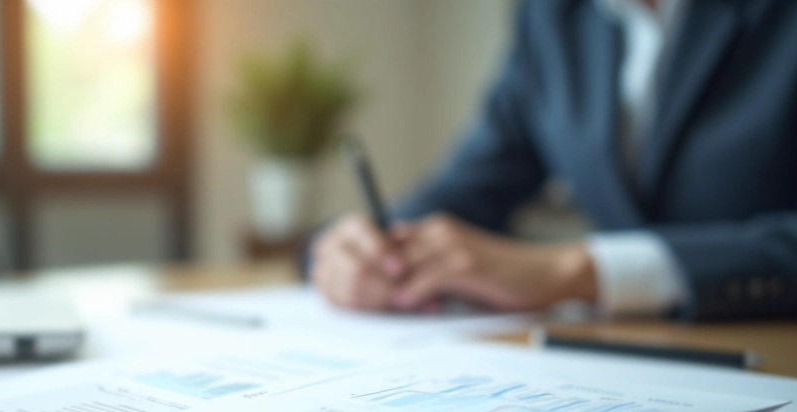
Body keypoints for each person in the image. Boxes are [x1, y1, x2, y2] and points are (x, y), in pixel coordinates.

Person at [310, 0, 797, 321]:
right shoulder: (553, 17)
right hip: (625, 363)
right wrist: (349, 248)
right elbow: (468, 188)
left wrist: (579, 271)